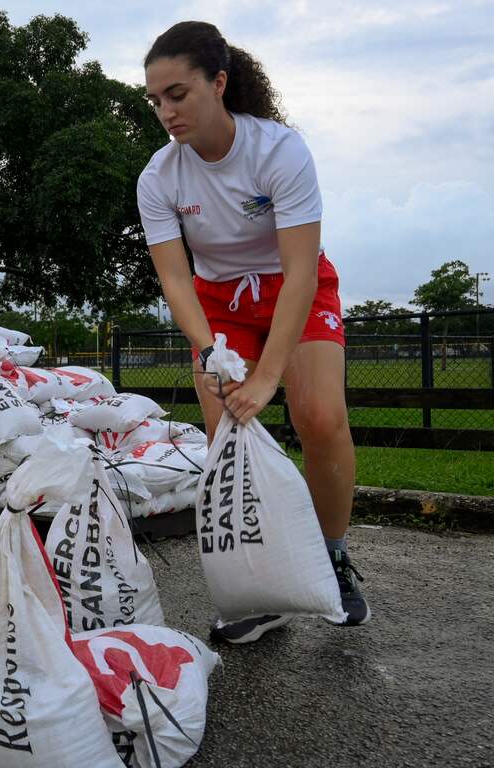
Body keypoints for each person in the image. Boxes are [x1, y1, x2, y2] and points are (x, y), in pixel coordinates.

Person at [137, 22, 369, 642]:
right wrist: (210, 350)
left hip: (295, 285)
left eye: (178, 94)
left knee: (320, 417)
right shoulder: (158, 179)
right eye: (155, 100)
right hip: (218, 303)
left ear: (219, 83)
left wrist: (268, 376)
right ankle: (256, 586)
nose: (166, 112)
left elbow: (299, 272)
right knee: (230, 442)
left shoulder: (279, 151)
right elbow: (177, 282)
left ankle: (334, 557)